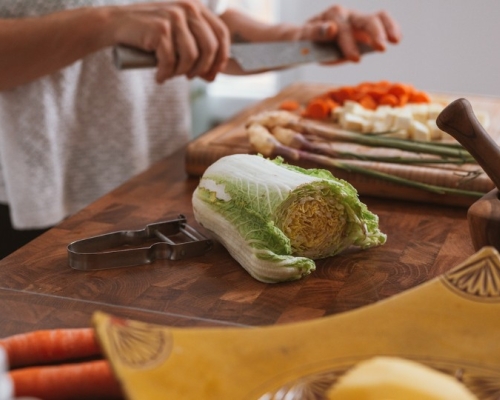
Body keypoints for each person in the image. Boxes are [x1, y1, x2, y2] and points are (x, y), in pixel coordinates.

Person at [0, 1, 401, 259]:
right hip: (25, 203)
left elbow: (208, 27)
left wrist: (300, 39)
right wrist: (103, 23)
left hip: (147, 182)